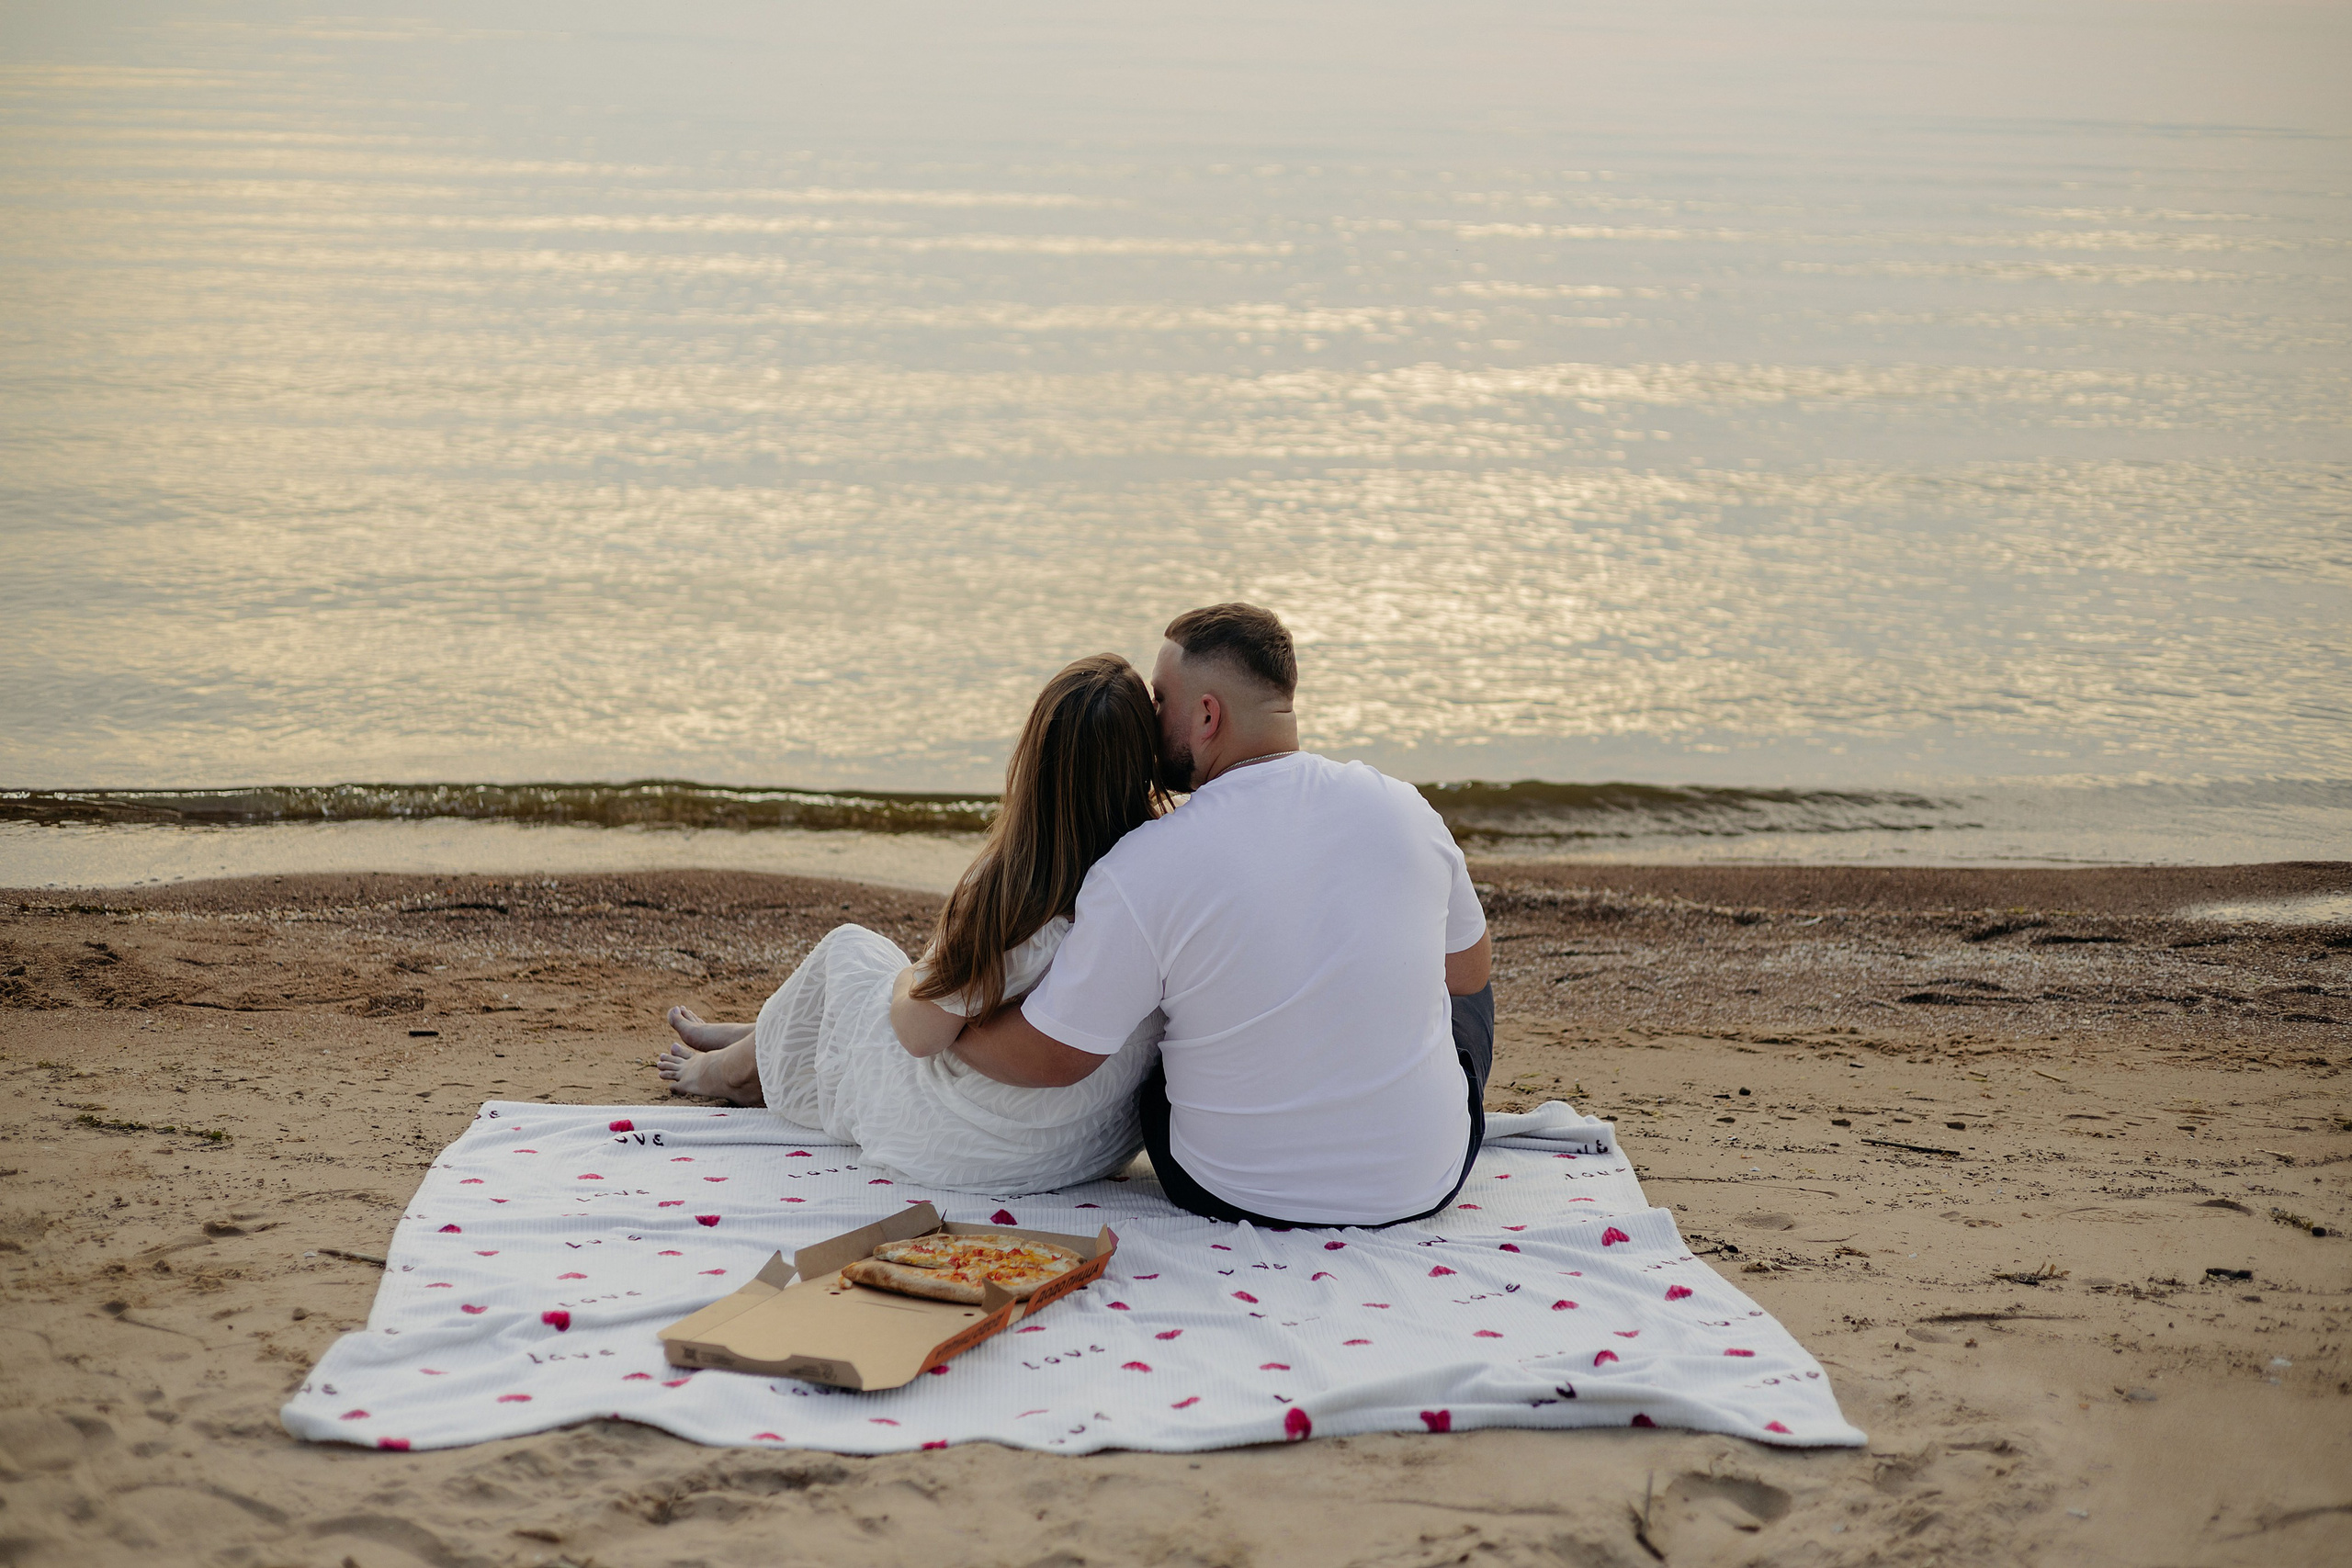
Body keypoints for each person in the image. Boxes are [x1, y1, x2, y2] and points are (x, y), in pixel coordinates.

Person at [950, 604, 1495, 1227]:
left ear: (1207, 715)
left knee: (1170, 1011)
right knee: (1463, 997)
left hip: (1229, 1189)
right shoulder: (1404, 808)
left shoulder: (1145, 862)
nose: (1150, 718)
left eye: (1160, 699)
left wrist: (957, 1034)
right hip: (1422, 1181)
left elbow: (1055, 1055)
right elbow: (1469, 973)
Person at [655, 654, 1169, 1194]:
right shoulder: (1158, 879)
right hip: (1086, 1140)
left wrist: (913, 976)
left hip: (971, 1144)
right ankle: (762, 1036)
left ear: (1034, 760)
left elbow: (919, 1036)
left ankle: (728, 1072)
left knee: (851, 951)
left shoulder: (1013, 896)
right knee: (877, 993)